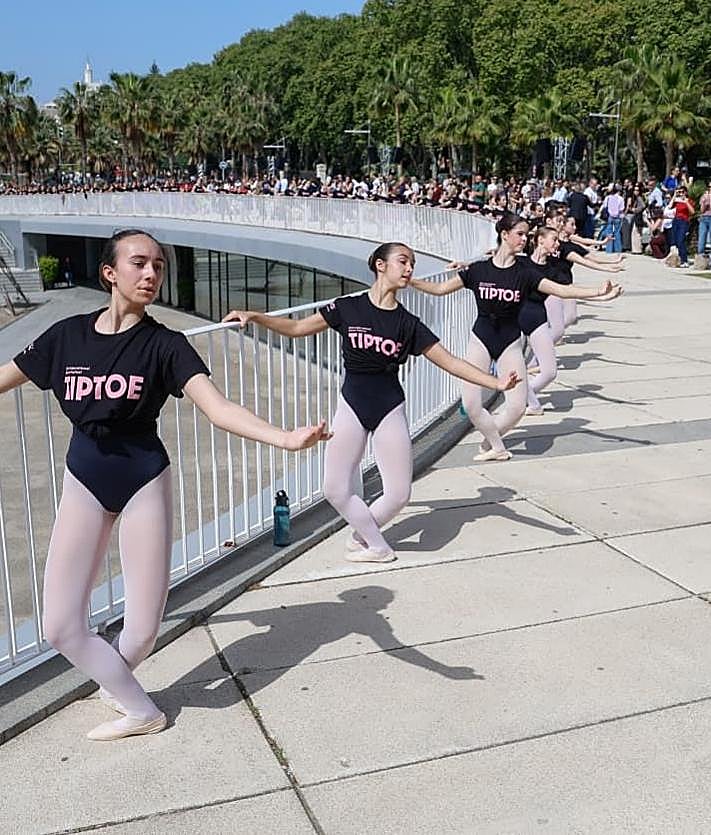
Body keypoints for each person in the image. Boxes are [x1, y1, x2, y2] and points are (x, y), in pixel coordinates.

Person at [0, 230, 329, 741]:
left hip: (143, 481)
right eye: (139, 263)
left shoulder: (165, 345)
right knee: (60, 627)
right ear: (109, 272)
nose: (151, 273)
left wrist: (284, 438)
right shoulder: (66, 336)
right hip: (84, 478)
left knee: (142, 631)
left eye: (159, 265)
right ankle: (140, 708)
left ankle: (128, 697)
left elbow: (218, 408)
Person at [222, 242, 519, 563]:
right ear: (380, 265)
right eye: (403, 261)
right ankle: (378, 546)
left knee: (399, 494)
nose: (409, 269)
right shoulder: (348, 308)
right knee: (335, 488)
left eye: (412, 264)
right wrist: (255, 316)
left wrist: (496, 383)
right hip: (352, 404)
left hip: (389, 407)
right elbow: (296, 328)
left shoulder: (408, 323)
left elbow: (451, 362)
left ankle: (364, 536)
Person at [411, 214, 622, 461]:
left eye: (526, 234)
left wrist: (597, 293)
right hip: (481, 339)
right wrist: (409, 281)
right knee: (470, 404)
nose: (524, 239)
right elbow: (439, 289)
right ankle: (497, 446)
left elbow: (561, 290)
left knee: (517, 407)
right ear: (504, 235)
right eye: (520, 234)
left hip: (510, 342)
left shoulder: (526, 273)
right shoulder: (479, 270)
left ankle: (492, 443)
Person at [518, 226, 561, 415]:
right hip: (513, 318)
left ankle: (526, 393)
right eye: (554, 239)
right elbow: (492, 266)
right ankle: (533, 404)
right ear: (540, 240)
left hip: (536, 318)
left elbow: (568, 289)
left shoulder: (553, 269)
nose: (557, 243)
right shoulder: (520, 261)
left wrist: (598, 294)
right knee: (514, 366)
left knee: (550, 371)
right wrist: (465, 265)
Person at [670, 186, 695, 267]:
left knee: (681, 240)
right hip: (676, 220)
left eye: (682, 192)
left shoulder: (688, 200)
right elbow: (670, 206)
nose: (681, 194)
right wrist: (675, 195)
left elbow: (692, 212)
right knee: (675, 241)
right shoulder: (677, 201)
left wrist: (686, 201)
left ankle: (684, 260)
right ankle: (680, 259)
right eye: (679, 192)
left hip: (683, 221)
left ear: (686, 192)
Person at [697, 182, 711, 258]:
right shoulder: (704, 196)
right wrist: (704, 202)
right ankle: (700, 255)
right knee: (702, 236)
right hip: (704, 217)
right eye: (709, 186)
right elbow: (702, 210)